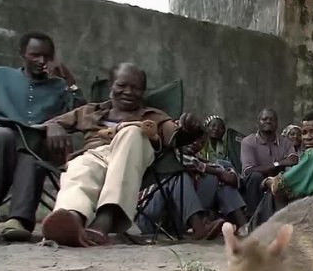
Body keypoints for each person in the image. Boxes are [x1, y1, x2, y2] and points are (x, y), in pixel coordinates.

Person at [39, 62, 204, 247]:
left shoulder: (153, 115)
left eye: (135, 88)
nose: (128, 92)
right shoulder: (90, 111)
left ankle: (105, 219)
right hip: (94, 155)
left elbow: (176, 137)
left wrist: (189, 130)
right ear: (110, 86)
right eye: (121, 85)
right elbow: (47, 124)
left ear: (143, 92)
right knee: (80, 167)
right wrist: (54, 126)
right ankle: (71, 221)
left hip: (133, 158)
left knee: (133, 132)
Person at [0, 31, 84, 240]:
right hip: (0, 139)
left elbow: (82, 114)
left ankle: (19, 220)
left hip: (39, 144)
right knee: (2, 136)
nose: (42, 61)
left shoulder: (59, 86)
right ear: (22, 53)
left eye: (47, 57)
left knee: (32, 150)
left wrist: (70, 82)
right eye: (35, 55)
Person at [137, 133, 246, 239]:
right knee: (178, 174)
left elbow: (216, 168)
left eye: (200, 142)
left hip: (176, 221)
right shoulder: (167, 151)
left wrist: (227, 174)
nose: (195, 143)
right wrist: (219, 172)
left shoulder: (199, 159)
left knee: (219, 179)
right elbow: (187, 163)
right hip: (149, 215)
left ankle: (244, 227)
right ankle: (199, 227)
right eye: (191, 139)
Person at [239, 108, 297, 216]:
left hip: (278, 179)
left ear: (277, 124)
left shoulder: (285, 142)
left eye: (272, 119)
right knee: (255, 176)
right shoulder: (248, 142)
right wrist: (278, 164)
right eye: (264, 119)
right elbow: (249, 170)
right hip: (253, 183)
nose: (268, 121)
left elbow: (293, 160)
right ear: (257, 123)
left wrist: (270, 168)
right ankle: (253, 217)